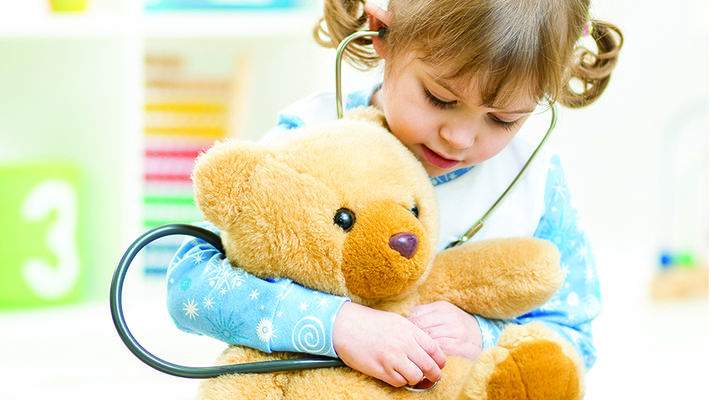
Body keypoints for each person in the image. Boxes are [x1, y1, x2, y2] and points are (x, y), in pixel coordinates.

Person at [166, 0, 623, 389]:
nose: (459, 137)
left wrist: (484, 336)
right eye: (440, 98)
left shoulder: (534, 185)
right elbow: (190, 284)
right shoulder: (308, 139)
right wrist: (334, 325)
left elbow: (574, 337)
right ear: (382, 32)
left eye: (503, 119)